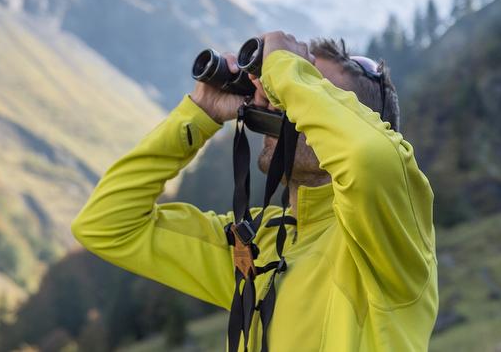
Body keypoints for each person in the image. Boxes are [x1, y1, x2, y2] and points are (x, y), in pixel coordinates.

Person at [71, 31, 438, 351]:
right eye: (282, 96)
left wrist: (284, 69)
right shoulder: (258, 244)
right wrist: (201, 114)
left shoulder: (390, 235)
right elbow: (106, 224)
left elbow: (368, 157)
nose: (279, 104)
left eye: (314, 95)